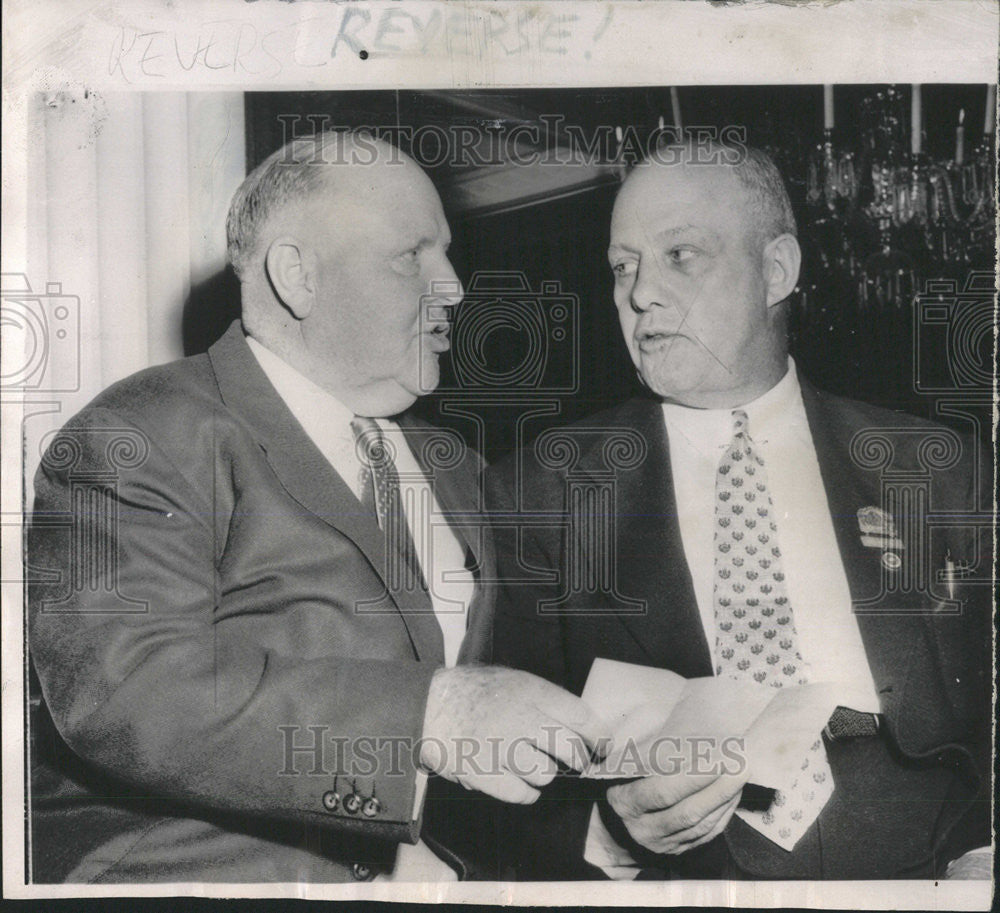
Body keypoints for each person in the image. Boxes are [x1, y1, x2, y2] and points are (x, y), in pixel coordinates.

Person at [27, 132, 607, 883]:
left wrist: (615, 793)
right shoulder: (141, 432)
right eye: (413, 256)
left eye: (447, 254)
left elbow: (503, 715)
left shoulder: (458, 469)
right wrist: (431, 716)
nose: (455, 287)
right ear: (297, 274)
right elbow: (130, 690)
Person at [486, 141, 992, 880]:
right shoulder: (541, 491)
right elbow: (486, 762)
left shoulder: (941, 466)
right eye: (623, 266)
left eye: (680, 255)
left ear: (777, 270)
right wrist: (604, 830)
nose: (640, 294)